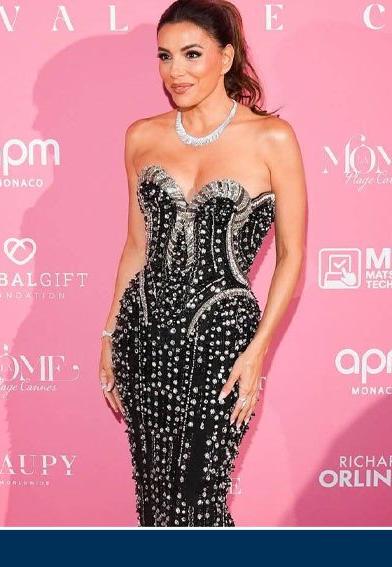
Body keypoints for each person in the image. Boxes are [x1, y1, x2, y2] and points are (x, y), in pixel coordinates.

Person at [98, 0, 305, 527]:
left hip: (222, 340)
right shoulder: (141, 136)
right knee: (155, 504)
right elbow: (136, 246)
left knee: (200, 500)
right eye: (165, 56)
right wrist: (108, 335)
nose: (176, 71)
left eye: (192, 54)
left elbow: (291, 255)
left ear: (226, 57)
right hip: (143, 335)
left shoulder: (272, 139)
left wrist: (258, 351)